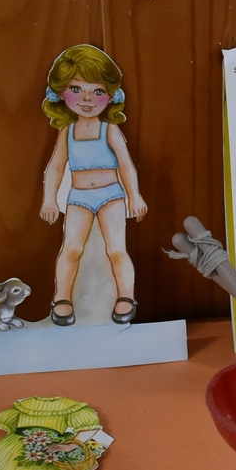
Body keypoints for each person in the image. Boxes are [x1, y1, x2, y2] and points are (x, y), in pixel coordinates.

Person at [40, 44, 147, 326]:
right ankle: (62, 297)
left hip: (110, 195)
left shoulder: (109, 129)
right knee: (71, 249)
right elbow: (56, 166)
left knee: (116, 249)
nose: (87, 99)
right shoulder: (67, 132)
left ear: (111, 96)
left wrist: (134, 196)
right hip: (79, 197)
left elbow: (125, 164)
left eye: (97, 91)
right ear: (60, 92)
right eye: (76, 89)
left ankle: (126, 296)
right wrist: (49, 199)